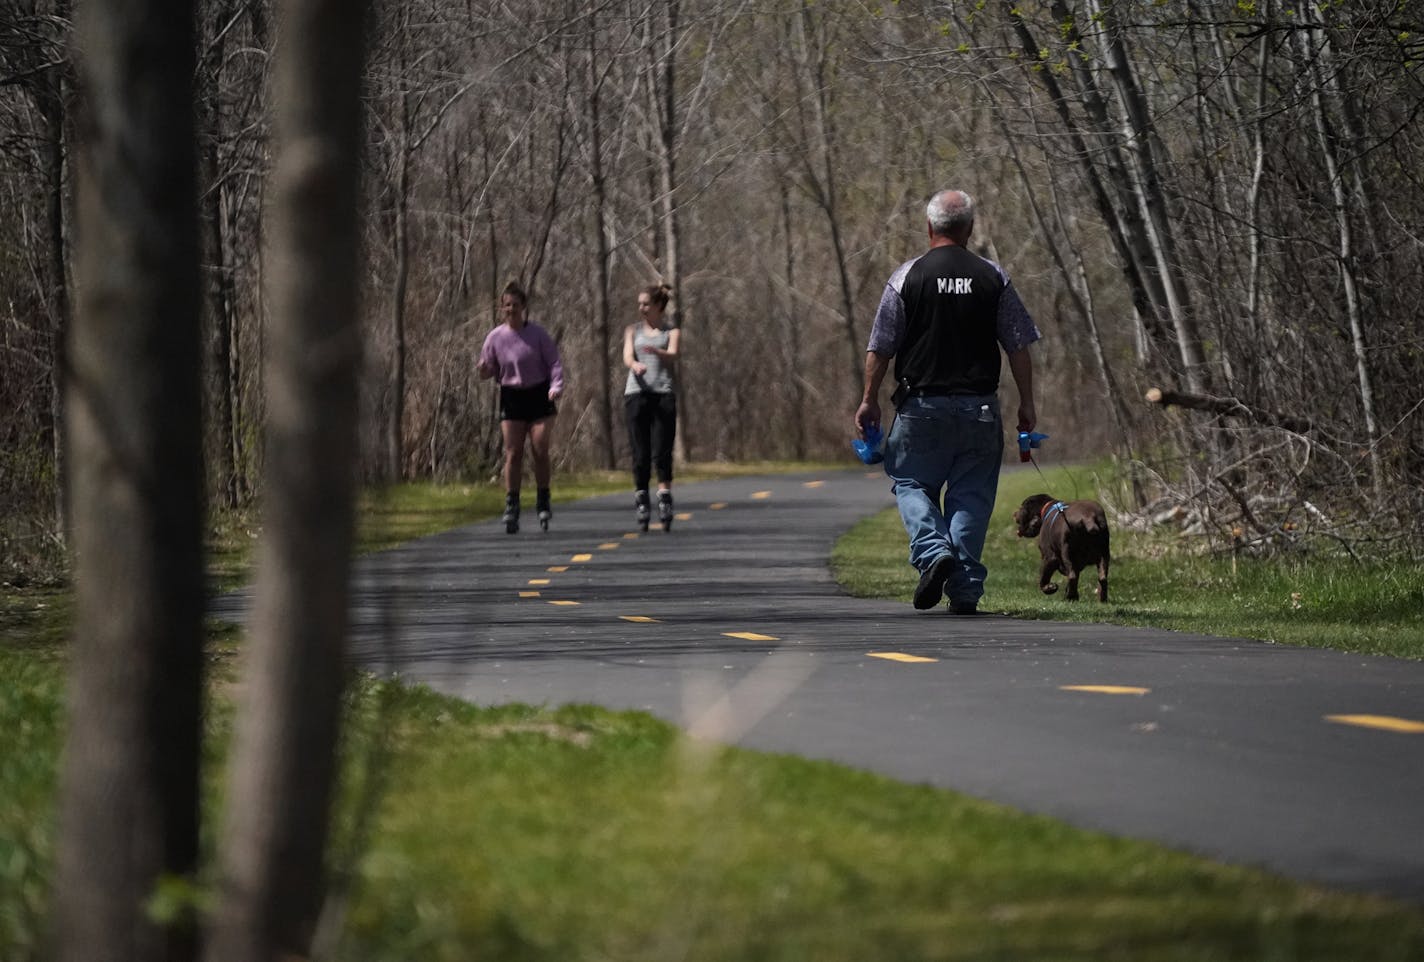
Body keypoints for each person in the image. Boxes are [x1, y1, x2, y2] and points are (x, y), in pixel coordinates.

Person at [854, 189, 1040, 614]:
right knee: (970, 495)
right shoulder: (994, 277)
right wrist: (1026, 404)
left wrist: (869, 400)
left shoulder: (907, 277)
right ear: (969, 229)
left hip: (921, 408)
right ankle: (965, 589)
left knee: (911, 481)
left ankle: (933, 551)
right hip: (979, 409)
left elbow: (880, 347)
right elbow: (1018, 347)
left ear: (929, 227)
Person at [478, 281, 564, 533]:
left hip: (539, 394)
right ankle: (512, 504)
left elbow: (554, 363)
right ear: (501, 308)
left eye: (516, 305)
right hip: (511, 395)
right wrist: (484, 370)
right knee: (513, 453)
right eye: (507, 305)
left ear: (524, 307)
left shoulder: (537, 335)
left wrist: (556, 386)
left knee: (539, 450)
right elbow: (488, 367)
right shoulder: (495, 337)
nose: (511, 310)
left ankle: (542, 499)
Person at [622, 283, 681, 531]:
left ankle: (665, 499)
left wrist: (657, 351)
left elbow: (674, 353)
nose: (641, 308)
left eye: (646, 304)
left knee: (662, 451)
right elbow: (627, 356)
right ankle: (642, 498)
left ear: (658, 306)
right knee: (641, 452)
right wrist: (635, 365)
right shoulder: (632, 330)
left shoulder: (671, 331)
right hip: (637, 394)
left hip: (663, 394)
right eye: (640, 304)